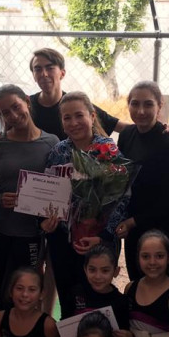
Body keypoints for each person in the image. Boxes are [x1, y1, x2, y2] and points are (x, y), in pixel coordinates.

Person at [40, 91, 128, 317]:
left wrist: (104, 236)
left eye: (79, 115)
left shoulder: (107, 150)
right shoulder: (58, 151)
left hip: (98, 240)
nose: (73, 123)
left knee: (96, 301)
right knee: (68, 299)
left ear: (92, 116)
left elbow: (122, 198)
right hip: (63, 238)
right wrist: (46, 220)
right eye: (67, 118)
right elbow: (47, 193)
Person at [0, 85, 60, 309]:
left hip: (32, 234)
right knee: (4, 295)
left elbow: (58, 190)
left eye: (16, 107)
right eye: (5, 112)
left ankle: (32, 333)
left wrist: (50, 218)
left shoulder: (52, 143)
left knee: (28, 297)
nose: (13, 115)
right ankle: (3, 332)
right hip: (2, 231)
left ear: (27, 102)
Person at [115, 80, 169, 282]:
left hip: (158, 228)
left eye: (148, 104)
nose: (141, 111)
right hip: (132, 227)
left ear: (159, 106)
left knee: (157, 283)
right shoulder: (126, 135)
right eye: (135, 104)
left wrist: (132, 222)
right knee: (136, 282)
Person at [27, 47, 126, 139]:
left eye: (50, 68)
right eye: (38, 69)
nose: (44, 74)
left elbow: (120, 126)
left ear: (62, 73)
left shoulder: (75, 104)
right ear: (34, 75)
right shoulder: (26, 106)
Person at [68, 244, 132, 337]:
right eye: (92, 270)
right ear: (85, 269)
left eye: (105, 271)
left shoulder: (120, 302)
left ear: (116, 271)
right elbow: (65, 323)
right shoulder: (76, 293)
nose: (98, 276)